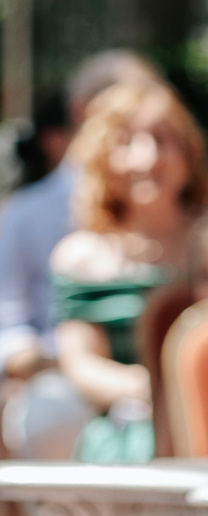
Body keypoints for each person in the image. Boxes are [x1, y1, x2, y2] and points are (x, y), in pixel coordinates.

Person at [0, 51, 161, 459]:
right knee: (51, 415)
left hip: (154, 381)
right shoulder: (26, 216)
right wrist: (71, 364)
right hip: (62, 383)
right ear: (81, 112)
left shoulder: (178, 219)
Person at [48, 79, 207, 462]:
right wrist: (152, 389)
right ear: (104, 160)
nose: (147, 158)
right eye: (127, 143)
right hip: (127, 425)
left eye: (163, 140)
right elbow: (80, 361)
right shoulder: (81, 257)